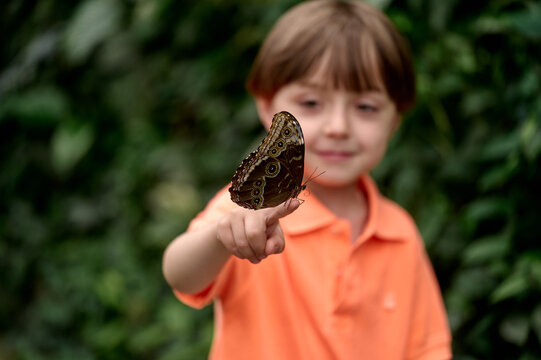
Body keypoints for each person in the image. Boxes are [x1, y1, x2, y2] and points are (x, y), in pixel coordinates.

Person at [162, 1, 452, 359]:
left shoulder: (400, 235)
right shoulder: (247, 211)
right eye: (312, 103)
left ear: (394, 121)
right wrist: (221, 238)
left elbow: (427, 349)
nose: (338, 128)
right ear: (267, 107)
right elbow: (180, 274)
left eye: (365, 107)